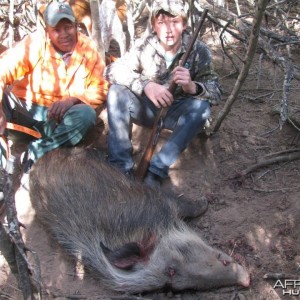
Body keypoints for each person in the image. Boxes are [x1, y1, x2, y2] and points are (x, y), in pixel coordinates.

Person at [105, 0, 222, 189]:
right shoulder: (144, 45)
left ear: (184, 25)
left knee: (202, 108)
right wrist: (146, 85)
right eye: (161, 22)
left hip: (178, 114)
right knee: (116, 92)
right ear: (153, 25)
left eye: (174, 22)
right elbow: (111, 70)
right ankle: (120, 168)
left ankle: (157, 171)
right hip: (148, 110)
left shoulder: (199, 50)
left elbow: (216, 91)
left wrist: (193, 87)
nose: (168, 29)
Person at [0, 0, 108, 178]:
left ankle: (37, 153)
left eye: (68, 27)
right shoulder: (34, 44)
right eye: (57, 30)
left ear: (76, 26)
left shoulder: (88, 49)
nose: (64, 34)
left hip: (57, 120)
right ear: (47, 32)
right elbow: (3, 69)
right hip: (24, 111)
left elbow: (102, 86)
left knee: (86, 115)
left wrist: (71, 100)